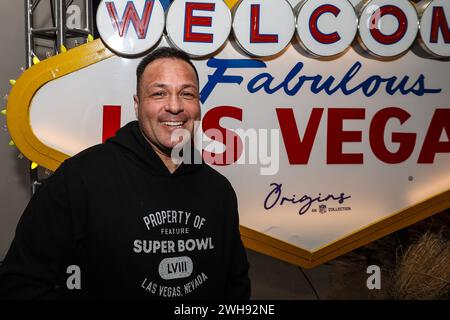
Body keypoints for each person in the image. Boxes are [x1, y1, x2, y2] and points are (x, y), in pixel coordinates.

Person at [0, 47, 251, 299]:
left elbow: (236, 287)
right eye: (159, 93)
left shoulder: (218, 190)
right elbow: (19, 285)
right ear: (137, 104)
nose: (174, 106)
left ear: (198, 105)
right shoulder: (80, 179)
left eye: (187, 93)